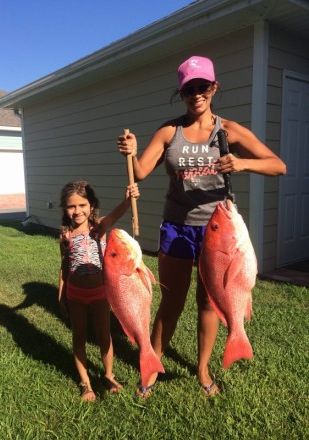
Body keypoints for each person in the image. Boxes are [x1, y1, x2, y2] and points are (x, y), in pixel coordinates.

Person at [117, 55, 286, 398]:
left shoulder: (229, 130)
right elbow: (142, 171)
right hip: (178, 228)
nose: (196, 94)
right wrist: (131, 154)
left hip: (219, 233)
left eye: (203, 87)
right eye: (189, 88)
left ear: (214, 88)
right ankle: (151, 365)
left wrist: (241, 163)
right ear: (181, 92)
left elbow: (277, 165)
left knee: (209, 302)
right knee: (171, 302)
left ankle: (203, 368)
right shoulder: (169, 131)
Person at [58, 179, 140, 401]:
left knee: (104, 335)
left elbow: (117, 213)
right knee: (79, 337)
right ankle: (85, 383)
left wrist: (127, 198)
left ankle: (108, 375)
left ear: (91, 205)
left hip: (100, 294)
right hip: (75, 294)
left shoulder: (99, 228)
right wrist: (61, 294)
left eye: (82, 205)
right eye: (71, 206)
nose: (77, 211)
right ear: (65, 209)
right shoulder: (65, 236)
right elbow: (65, 266)